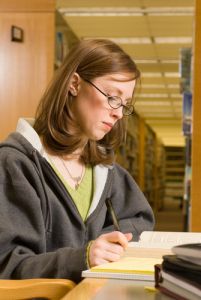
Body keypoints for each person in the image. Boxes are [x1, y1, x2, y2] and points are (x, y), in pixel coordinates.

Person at [0, 39, 154, 283]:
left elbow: (141, 220)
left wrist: (107, 245)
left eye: (125, 105)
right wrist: (82, 257)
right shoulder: (15, 165)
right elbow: (8, 265)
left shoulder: (105, 169)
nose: (117, 113)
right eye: (113, 97)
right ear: (74, 84)